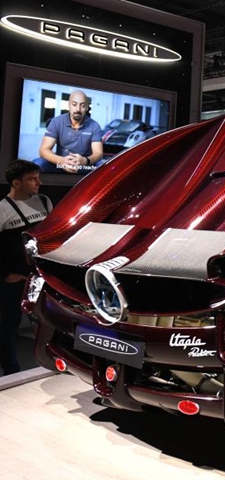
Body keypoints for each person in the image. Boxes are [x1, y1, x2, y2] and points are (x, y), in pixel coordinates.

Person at [0, 160, 52, 376]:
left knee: (48, 321)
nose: (38, 182)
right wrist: (5, 274)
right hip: (16, 278)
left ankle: (52, 362)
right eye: (32, 179)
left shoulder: (44, 201)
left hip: (42, 276)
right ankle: (11, 369)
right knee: (8, 323)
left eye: (38, 177)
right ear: (16, 182)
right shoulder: (2, 209)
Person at [36, 90, 103, 174]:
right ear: (69, 105)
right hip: (60, 165)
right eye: (74, 104)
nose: (78, 109)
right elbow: (43, 150)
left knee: (102, 167)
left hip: (83, 166)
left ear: (86, 108)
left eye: (82, 106)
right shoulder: (56, 122)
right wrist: (61, 161)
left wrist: (85, 161)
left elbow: (98, 153)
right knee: (38, 163)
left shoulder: (94, 126)